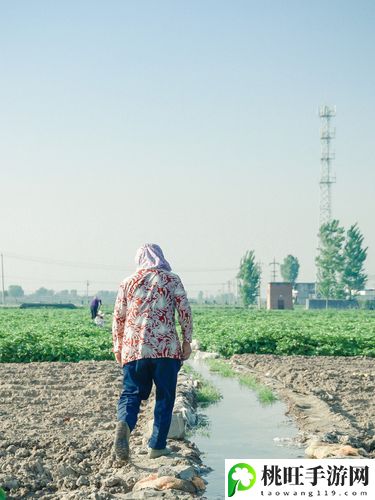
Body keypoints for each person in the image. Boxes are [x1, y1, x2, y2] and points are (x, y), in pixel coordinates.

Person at [112, 243, 192, 460]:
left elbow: (119, 317)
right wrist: (187, 341)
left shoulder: (127, 282)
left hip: (134, 348)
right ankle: (157, 446)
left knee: (131, 394)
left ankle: (124, 426)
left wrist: (118, 347)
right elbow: (184, 312)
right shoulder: (171, 279)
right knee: (165, 396)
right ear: (161, 258)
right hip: (166, 349)